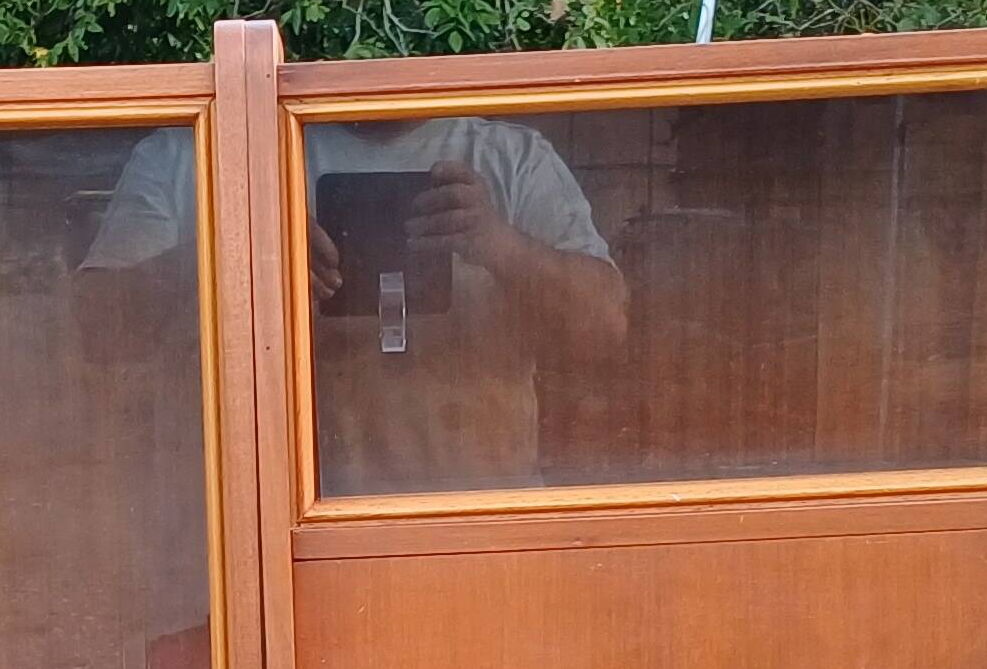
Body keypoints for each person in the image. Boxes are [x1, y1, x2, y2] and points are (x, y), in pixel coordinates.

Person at [82, 116, 627, 490]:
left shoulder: (511, 160)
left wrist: (498, 245)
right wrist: (230, 257)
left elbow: (605, 329)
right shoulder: (197, 152)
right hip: (241, 552)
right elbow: (94, 332)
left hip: (469, 529)